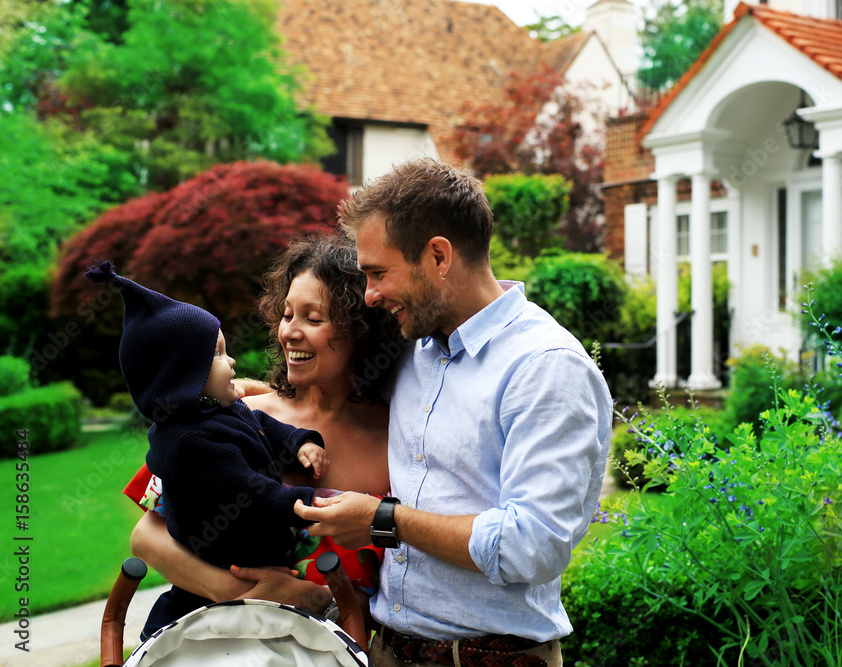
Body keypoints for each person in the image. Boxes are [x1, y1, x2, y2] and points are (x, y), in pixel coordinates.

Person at [293, 158, 612, 666]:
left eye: (379, 273)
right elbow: (331, 377)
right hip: (387, 649)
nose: (370, 295)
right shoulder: (411, 346)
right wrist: (241, 392)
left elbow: (531, 545)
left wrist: (384, 521)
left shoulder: (545, 368)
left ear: (438, 256)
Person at [125, 234, 401, 630]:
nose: (289, 332)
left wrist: (314, 602)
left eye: (313, 317)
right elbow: (146, 535)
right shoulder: (231, 416)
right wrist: (235, 593)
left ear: (363, 328)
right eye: (287, 314)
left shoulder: (401, 444)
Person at [85, 260, 331, 638]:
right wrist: (309, 505)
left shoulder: (225, 407)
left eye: (313, 318)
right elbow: (251, 492)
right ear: (185, 377)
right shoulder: (191, 442)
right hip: (222, 582)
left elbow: (262, 425)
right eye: (217, 355)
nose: (231, 361)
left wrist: (300, 440)